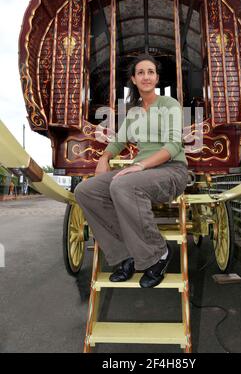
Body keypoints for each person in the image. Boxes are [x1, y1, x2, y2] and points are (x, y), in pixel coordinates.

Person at [74, 53, 189, 288]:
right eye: (140, 73)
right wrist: (104, 158)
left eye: (150, 72)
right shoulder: (134, 112)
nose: (146, 76)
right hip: (141, 173)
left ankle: (159, 253)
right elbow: (119, 141)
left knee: (123, 184)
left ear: (157, 78)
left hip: (171, 171)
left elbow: (174, 145)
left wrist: (140, 165)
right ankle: (125, 254)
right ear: (134, 80)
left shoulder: (170, 105)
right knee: (86, 190)